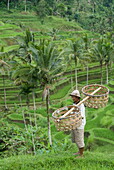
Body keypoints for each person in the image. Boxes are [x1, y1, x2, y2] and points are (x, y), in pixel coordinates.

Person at [70, 89, 86, 158]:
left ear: (77, 97)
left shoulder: (81, 105)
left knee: (79, 139)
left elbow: (81, 116)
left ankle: (81, 154)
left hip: (79, 124)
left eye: (74, 97)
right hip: (74, 124)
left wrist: (75, 118)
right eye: (72, 96)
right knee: (76, 139)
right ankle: (79, 151)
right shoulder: (74, 104)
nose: (72, 98)